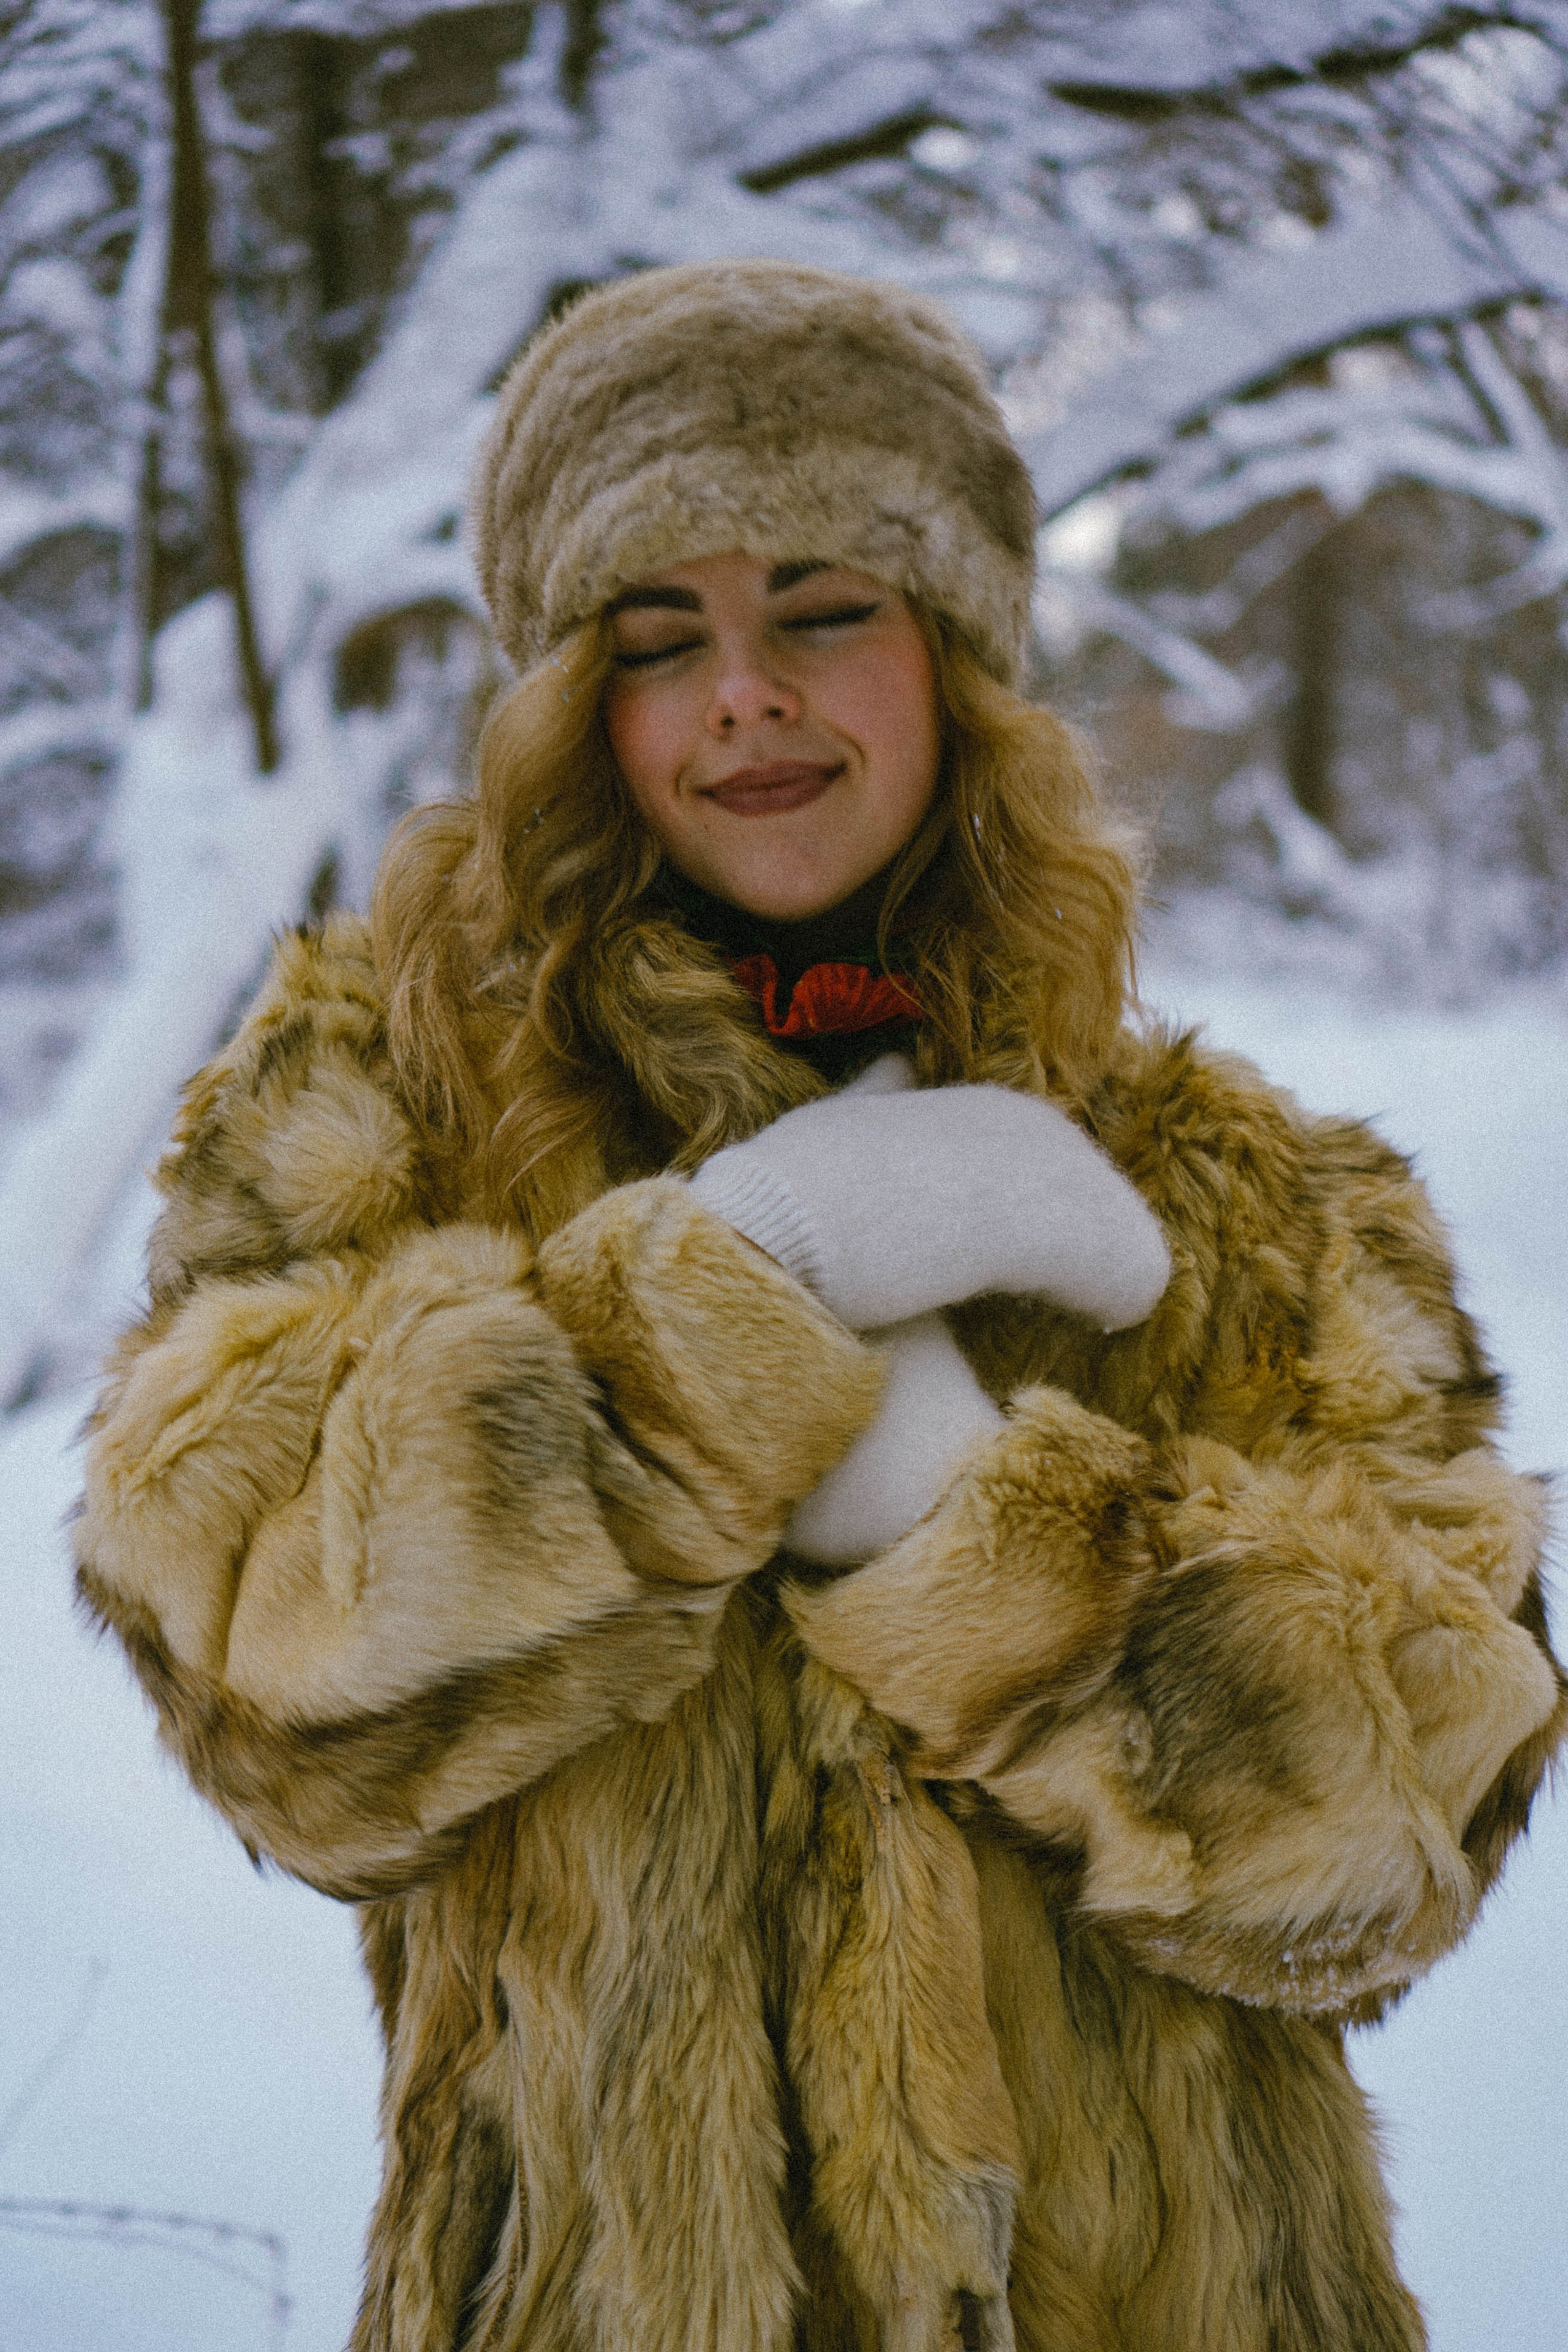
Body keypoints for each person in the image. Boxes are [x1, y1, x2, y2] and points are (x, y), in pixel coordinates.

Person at [76, 260, 1562, 2352]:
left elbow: (1409, 1830)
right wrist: (726, 1314)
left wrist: (978, 1532)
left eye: (821, 611)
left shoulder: (1240, 1191)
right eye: (657, 640)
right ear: (570, 708)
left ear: (957, 657)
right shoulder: (383, 1109)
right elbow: (262, 1675)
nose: (743, 697)